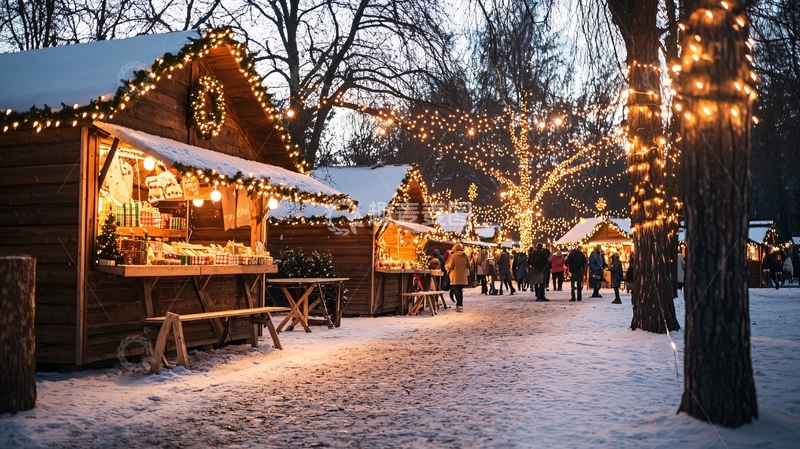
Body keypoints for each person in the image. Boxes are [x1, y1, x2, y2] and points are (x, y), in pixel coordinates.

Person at [446, 244, 469, 312]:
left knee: (456, 290)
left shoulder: (454, 256)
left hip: (455, 275)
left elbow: (450, 266)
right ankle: (459, 305)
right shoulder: (465, 256)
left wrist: (446, 266)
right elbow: (468, 265)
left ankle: (459, 305)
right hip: (463, 276)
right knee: (460, 290)